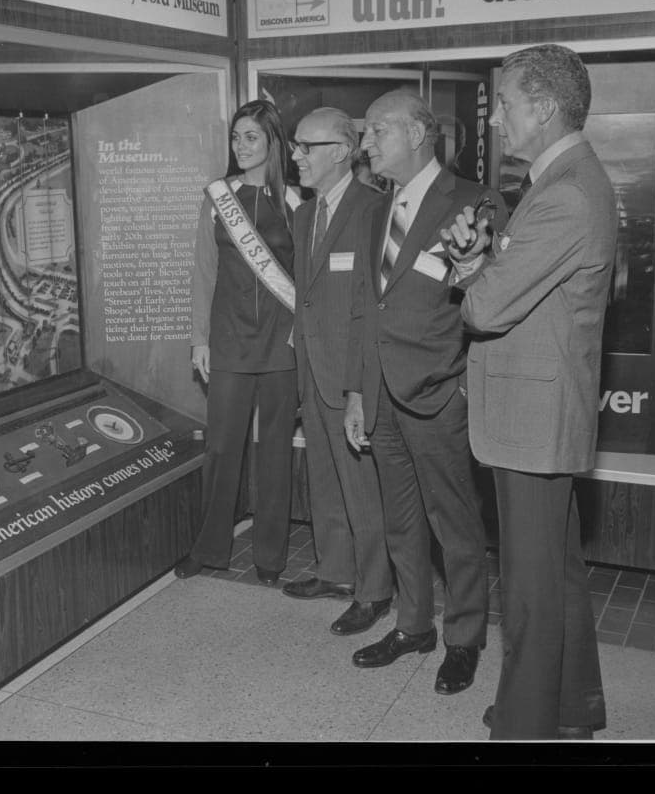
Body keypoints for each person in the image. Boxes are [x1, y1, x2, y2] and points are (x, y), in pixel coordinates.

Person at [442, 43, 616, 741]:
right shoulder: (562, 180)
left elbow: (486, 309)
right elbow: (516, 289)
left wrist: (472, 275)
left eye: (507, 103)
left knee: (531, 592)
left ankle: (525, 726)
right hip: (539, 413)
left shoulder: (566, 191)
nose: (498, 117)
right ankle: (571, 710)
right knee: (559, 576)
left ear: (543, 108)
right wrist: (477, 261)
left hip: (533, 419)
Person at [342, 89, 505, 694]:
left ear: (416, 133)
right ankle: (413, 626)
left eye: (375, 131)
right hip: (381, 393)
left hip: (439, 391)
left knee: (455, 524)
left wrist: (462, 385)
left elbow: (488, 295)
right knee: (401, 520)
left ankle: (463, 639)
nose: (365, 144)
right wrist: (358, 392)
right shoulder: (373, 209)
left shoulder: (473, 200)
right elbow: (366, 307)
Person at [176, 100, 299, 586]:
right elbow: (203, 273)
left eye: (251, 137)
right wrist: (198, 340)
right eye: (236, 137)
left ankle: (270, 556)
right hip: (227, 342)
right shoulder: (217, 197)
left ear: (273, 141)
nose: (241, 146)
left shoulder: (296, 200)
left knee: (274, 453)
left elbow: (306, 279)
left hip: (280, 345)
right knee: (222, 450)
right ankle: (209, 550)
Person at [283, 107, 393, 636]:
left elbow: (369, 309)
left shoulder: (374, 210)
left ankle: (374, 591)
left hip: (351, 378)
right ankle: (335, 571)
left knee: (361, 487)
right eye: (296, 146)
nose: (296, 155)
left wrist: (357, 388)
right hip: (312, 370)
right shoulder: (305, 214)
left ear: (343, 151)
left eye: (307, 146)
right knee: (324, 479)